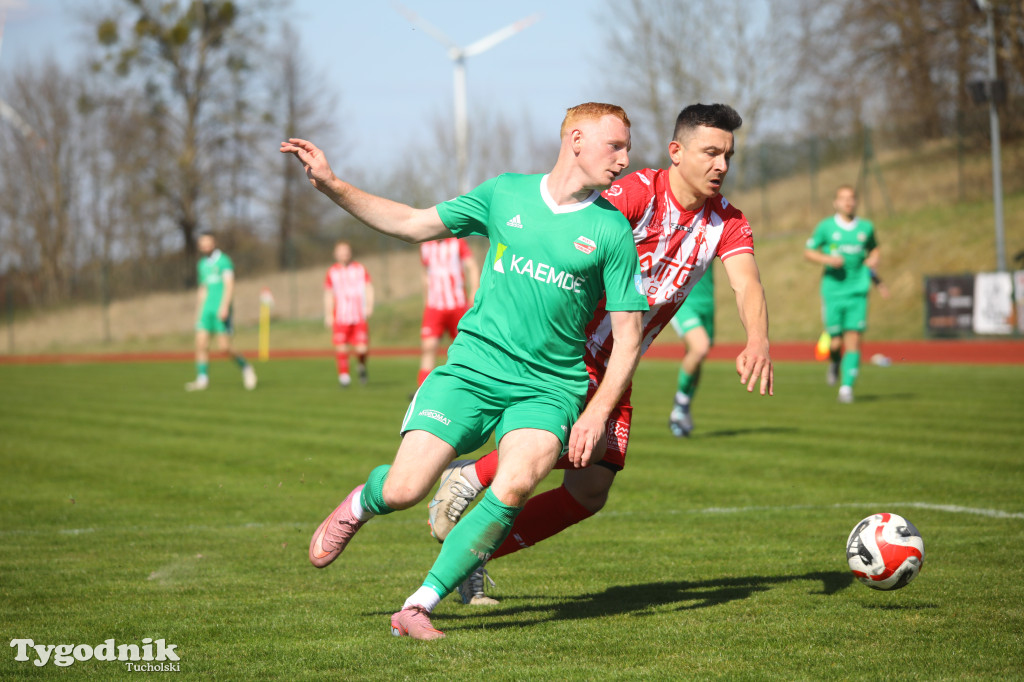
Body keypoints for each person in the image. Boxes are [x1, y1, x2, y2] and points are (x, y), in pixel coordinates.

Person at [280, 102, 649, 640]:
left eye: (627, 148)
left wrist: (596, 412)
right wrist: (333, 185)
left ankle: (418, 605)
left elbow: (630, 340)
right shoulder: (505, 193)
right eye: (615, 145)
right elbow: (410, 223)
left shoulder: (612, 230)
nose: (624, 158)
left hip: (550, 388)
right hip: (471, 371)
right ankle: (363, 501)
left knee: (518, 479)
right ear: (575, 139)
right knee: (405, 490)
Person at [426, 103, 774, 605]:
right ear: (676, 153)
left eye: (728, 155)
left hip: (621, 363)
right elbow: (577, 229)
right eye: (711, 152)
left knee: (588, 492)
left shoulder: (728, 222)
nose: (721, 164)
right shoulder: (635, 193)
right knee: (546, 451)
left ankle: (472, 555)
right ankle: (473, 475)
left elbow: (748, 285)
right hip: (572, 352)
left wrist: (757, 338)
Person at [804, 185, 881, 403]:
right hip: (833, 291)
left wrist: (874, 258)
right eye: (843, 199)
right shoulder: (826, 227)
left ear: (856, 202)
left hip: (858, 290)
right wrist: (828, 260)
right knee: (835, 343)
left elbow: (874, 248)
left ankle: (846, 388)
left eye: (852, 198)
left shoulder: (866, 227)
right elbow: (808, 252)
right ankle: (835, 362)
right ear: (835, 203)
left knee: (854, 339)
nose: (848, 202)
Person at [185, 232, 257, 392]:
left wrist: (225, 306)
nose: (204, 245)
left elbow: (229, 285)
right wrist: (198, 311)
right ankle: (202, 379)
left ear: (214, 242)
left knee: (224, 348)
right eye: (202, 243)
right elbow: (203, 289)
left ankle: (246, 367)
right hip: (206, 310)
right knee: (200, 344)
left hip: (221, 310)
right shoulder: (202, 264)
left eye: (207, 242)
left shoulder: (224, 261)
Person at [416, 237, 480, 387]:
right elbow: (425, 273)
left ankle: (468, 385)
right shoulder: (425, 246)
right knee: (428, 347)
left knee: (464, 348)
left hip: (457, 304)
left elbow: (472, 266)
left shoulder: (457, 242)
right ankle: (422, 388)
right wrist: (426, 299)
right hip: (434, 306)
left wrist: (474, 291)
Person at [668, 268, 715, 437]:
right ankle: (681, 403)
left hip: (707, 302)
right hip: (682, 300)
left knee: (698, 356)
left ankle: (682, 410)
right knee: (700, 347)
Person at [324, 240, 374, 387]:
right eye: (341, 251)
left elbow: (369, 287)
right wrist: (328, 314)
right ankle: (344, 376)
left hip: (358, 316)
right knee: (341, 347)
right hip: (340, 316)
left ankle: (361, 365)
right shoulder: (331, 272)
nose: (344, 254)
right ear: (335, 254)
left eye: (346, 251)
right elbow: (328, 294)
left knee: (362, 349)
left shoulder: (360, 269)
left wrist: (369, 305)